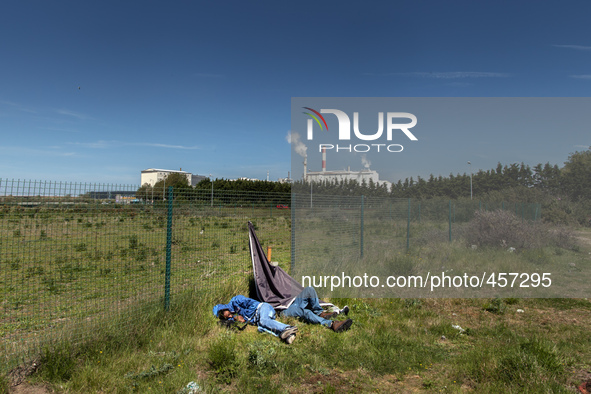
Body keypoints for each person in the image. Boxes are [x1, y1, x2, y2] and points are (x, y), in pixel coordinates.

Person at [213, 295, 298, 344]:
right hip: (258, 318)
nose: (230, 317)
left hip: (262, 308)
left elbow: (253, 304)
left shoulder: (236, 300)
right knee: (260, 328)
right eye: (227, 318)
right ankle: (286, 335)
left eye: (228, 315)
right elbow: (245, 320)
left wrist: (245, 317)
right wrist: (243, 320)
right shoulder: (233, 317)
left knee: (263, 321)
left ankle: (287, 328)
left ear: (224, 308)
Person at [281, 286, 352, 333]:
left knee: (309, 289)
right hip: (282, 309)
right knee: (306, 312)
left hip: (290, 303)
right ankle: (332, 324)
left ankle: (320, 313)